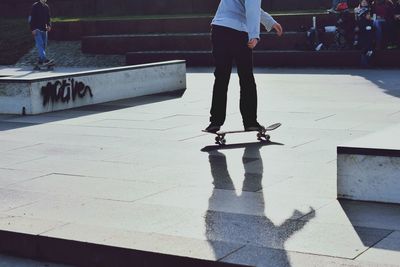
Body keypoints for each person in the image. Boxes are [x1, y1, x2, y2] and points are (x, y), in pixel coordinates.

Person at [204, 0, 283, 133]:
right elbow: (252, 8)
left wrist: (270, 21)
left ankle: (215, 122)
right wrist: (254, 35)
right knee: (246, 78)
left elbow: (250, 6)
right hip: (238, 33)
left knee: (221, 77)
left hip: (219, 28)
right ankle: (250, 121)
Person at [29, 0, 53, 65]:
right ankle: (44, 60)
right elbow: (31, 18)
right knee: (40, 44)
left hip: (44, 29)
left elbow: (48, 17)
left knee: (44, 45)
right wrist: (32, 29)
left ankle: (40, 60)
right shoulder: (35, 6)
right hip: (36, 29)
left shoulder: (46, 7)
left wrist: (49, 25)